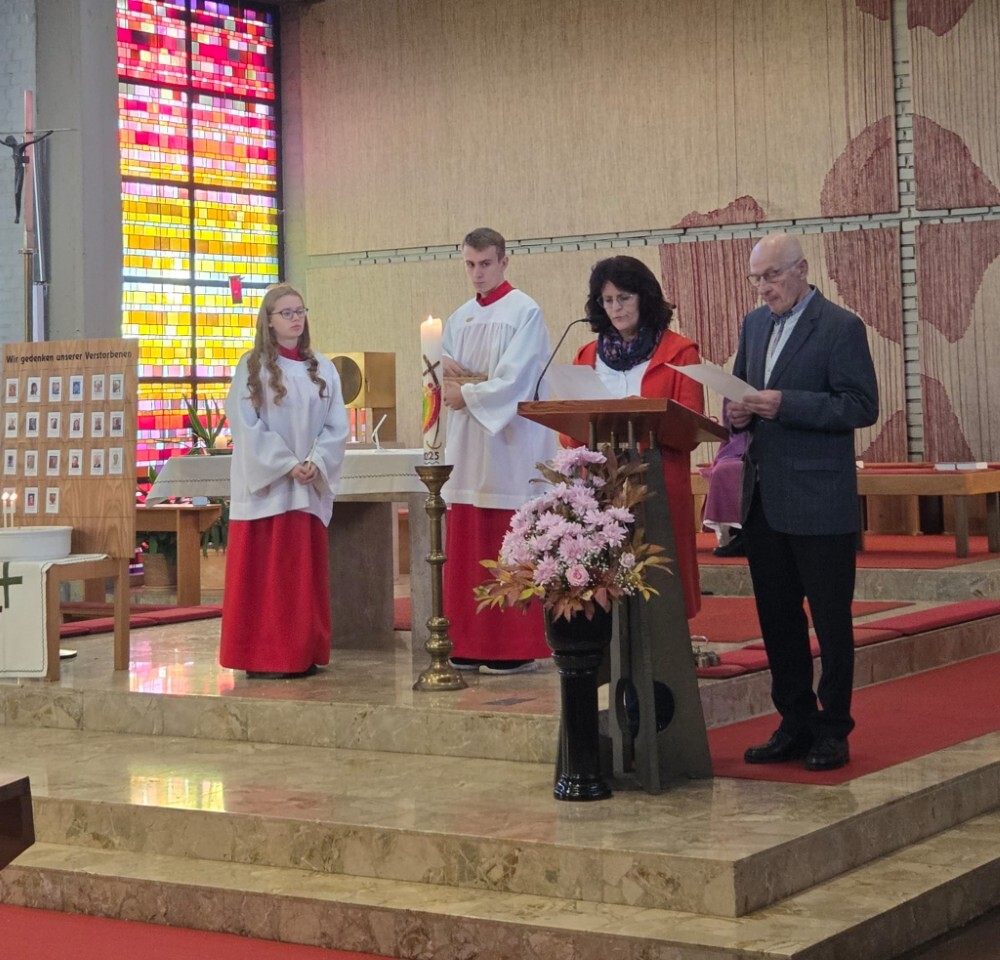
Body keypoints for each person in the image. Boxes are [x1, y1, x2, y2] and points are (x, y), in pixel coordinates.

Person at [728, 234, 878, 772]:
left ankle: (833, 729)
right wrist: (735, 412)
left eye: (771, 276)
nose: (763, 288)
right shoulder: (754, 325)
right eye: (756, 279)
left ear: (801, 269)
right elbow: (740, 392)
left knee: (831, 622)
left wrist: (786, 404)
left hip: (819, 499)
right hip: (764, 498)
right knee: (777, 620)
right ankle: (793, 721)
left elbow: (860, 405)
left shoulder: (840, 326)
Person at [220, 282, 350, 679]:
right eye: (287, 313)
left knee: (298, 579)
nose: (296, 319)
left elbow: (336, 426)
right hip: (268, 487)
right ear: (270, 321)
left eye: (300, 311)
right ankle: (262, 656)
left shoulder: (322, 368)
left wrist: (316, 462)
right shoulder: (252, 366)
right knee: (266, 580)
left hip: (306, 486)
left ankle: (301, 652)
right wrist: (286, 464)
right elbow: (245, 425)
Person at [441, 227, 555, 675]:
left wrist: (467, 392)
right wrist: (440, 372)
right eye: (470, 264)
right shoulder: (458, 318)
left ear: (504, 262)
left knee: (507, 543)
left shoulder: (525, 312)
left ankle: (512, 647)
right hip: (468, 446)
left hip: (510, 447)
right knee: (468, 545)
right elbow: (443, 379)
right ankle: (468, 643)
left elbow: (517, 380)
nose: (477, 273)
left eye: (485, 264)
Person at [570, 255, 704, 618]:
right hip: (601, 485)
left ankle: (668, 644)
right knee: (605, 585)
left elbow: (690, 429)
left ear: (645, 297)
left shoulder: (680, 352)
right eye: (607, 300)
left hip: (657, 482)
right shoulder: (587, 356)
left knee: (662, 588)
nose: (616, 308)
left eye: (624, 298)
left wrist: (643, 414)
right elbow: (571, 436)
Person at [700, 402, 749, 557]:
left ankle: (744, 534)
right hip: (739, 441)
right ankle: (737, 534)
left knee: (730, 470)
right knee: (723, 470)